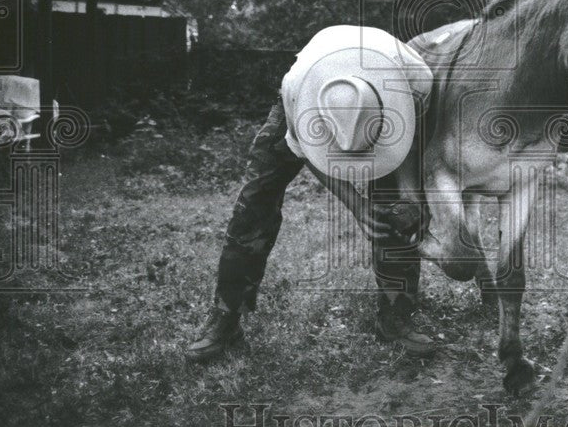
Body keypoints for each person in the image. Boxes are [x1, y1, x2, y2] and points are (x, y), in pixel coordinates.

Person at [186, 25, 437, 362]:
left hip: (393, 94)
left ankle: (396, 314)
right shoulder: (298, 90)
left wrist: (408, 195)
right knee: (255, 200)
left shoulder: (418, 80)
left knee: (397, 205)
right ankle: (226, 316)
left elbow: (414, 140)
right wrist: (356, 204)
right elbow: (304, 149)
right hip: (309, 95)